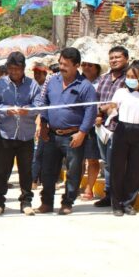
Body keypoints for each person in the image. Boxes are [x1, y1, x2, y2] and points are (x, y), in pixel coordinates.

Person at [36, 47, 98, 215]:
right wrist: (43, 124)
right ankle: (46, 202)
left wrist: (82, 133)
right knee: (47, 171)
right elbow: (45, 103)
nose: (61, 67)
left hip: (73, 136)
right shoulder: (53, 81)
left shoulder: (85, 87)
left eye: (66, 64)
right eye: (60, 63)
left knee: (73, 171)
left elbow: (91, 111)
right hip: (51, 135)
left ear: (76, 65)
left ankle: (67, 202)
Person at [0, 52, 42, 216]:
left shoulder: (33, 85)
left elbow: (39, 104)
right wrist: (5, 110)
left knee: (26, 170)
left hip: (26, 135)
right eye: (11, 69)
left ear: (23, 69)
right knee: (0, 170)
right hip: (5, 133)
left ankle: (26, 202)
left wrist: (29, 110)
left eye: (17, 69)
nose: (14, 72)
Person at [108, 60, 139, 216]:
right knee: (118, 167)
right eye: (127, 76)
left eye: (132, 76)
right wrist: (110, 108)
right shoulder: (121, 93)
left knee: (135, 169)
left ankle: (128, 203)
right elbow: (112, 109)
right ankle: (116, 204)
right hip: (122, 129)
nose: (129, 79)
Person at [94, 46, 129, 208]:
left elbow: (123, 103)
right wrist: (98, 114)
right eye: (112, 58)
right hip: (102, 128)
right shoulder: (105, 78)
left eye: (118, 57)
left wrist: (104, 109)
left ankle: (118, 196)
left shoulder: (128, 78)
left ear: (126, 59)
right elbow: (97, 100)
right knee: (107, 163)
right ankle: (109, 194)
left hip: (119, 127)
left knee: (117, 163)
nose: (114, 60)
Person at [80, 53, 103, 200]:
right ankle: (74, 186)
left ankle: (89, 189)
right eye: (84, 64)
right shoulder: (77, 82)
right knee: (75, 159)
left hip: (94, 126)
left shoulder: (102, 83)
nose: (86, 67)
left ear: (97, 68)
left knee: (93, 159)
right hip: (77, 123)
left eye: (90, 65)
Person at [30, 62, 49, 187]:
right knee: (36, 152)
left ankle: (35, 179)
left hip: (43, 123)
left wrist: (39, 124)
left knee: (40, 153)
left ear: (45, 73)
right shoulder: (34, 87)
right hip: (33, 123)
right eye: (35, 73)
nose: (36, 75)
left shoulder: (47, 88)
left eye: (39, 73)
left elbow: (43, 108)